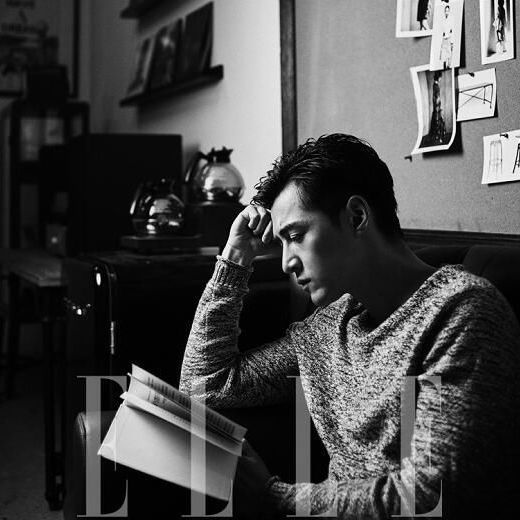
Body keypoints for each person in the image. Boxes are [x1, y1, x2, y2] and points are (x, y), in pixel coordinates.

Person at [179, 134, 520, 519]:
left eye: (296, 236)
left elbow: (431, 496)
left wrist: (275, 498)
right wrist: (235, 258)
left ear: (356, 217)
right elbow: (203, 386)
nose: (286, 262)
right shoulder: (327, 327)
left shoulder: (461, 312)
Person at [439, 3, 454, 69]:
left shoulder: (451, 19)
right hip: (444, 39)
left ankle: (449, 66)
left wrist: (452, 41)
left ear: (449, 11)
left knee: (449, 53)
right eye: (445, 11)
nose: (446, 12)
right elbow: (442, 29)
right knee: (443, 53)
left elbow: (452, 30)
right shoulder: (443, 20)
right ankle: (444, 66)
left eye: (447, 11)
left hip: (449, 38)